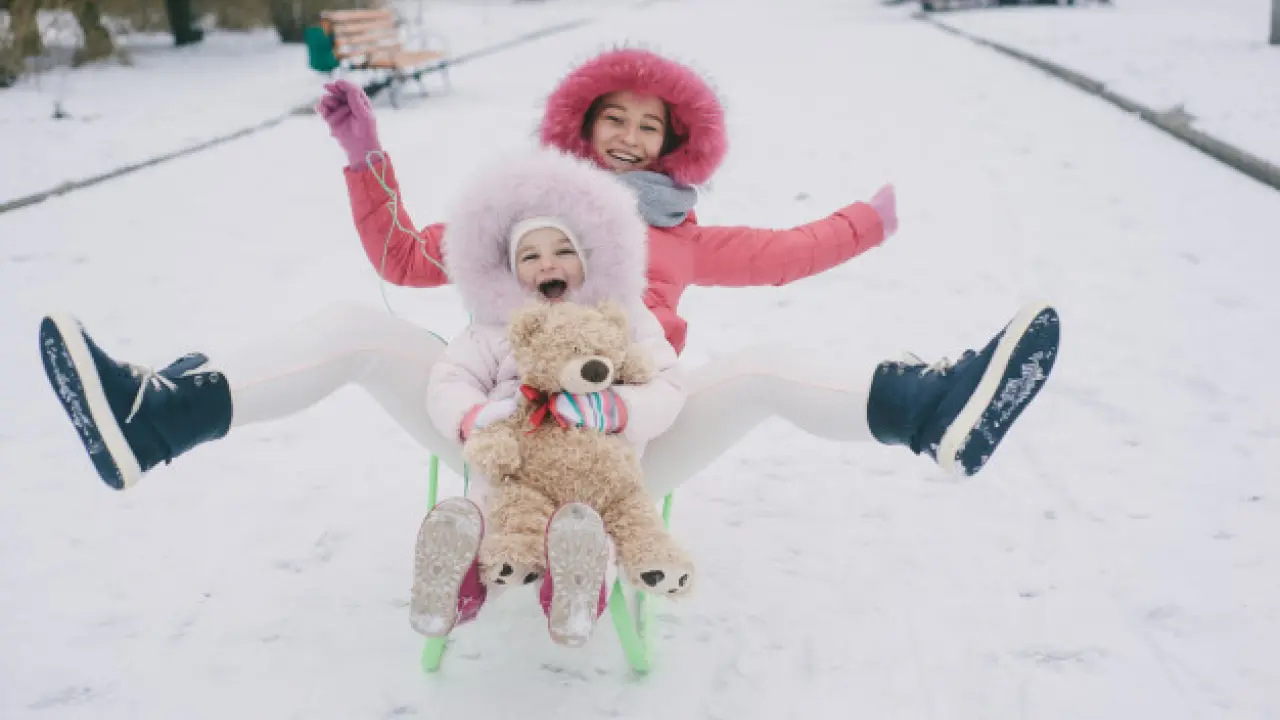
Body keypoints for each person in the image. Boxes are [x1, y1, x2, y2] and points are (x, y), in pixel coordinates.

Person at [36, 48, 1059, 499]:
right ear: (582, 124)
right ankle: (156, 420)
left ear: (673, 145)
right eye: (613, 118)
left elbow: (791, 251)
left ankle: (933, 412)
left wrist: (870, 219)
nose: (628, 135)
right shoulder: (521, 215)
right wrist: (364, 157)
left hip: (628, 438)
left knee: (765, 367)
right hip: (491, 425)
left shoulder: (681, 237)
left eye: (648, 125)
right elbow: (403, 255)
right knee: (353, 324)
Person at [411, 147, 682, 646]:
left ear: (589, 257)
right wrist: (477, 417)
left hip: (600, 458)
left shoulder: (622, 316)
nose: (547, 264)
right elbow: (450, 379)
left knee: (591, 523)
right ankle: (455, 585)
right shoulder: (494, 329)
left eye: (563, 251)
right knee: (491, 512)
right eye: (530, 256)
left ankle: (574, 594)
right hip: (516, 458)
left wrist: (618, 408)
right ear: (510, 270)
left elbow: (666, 382)